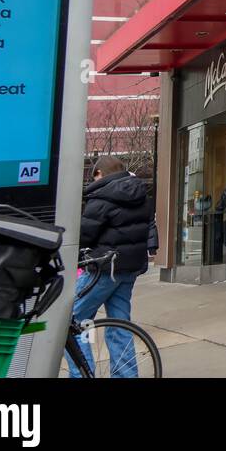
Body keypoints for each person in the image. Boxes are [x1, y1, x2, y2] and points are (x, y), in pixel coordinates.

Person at [67, 156, 154, 378]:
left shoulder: (102, 197)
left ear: (99, 174)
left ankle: (82, 374)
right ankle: (126, 375)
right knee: (120, 325)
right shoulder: (142, 196)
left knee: (69, 321)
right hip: (128, 269)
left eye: (93, 175)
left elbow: (84, 235)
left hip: (104, 268)